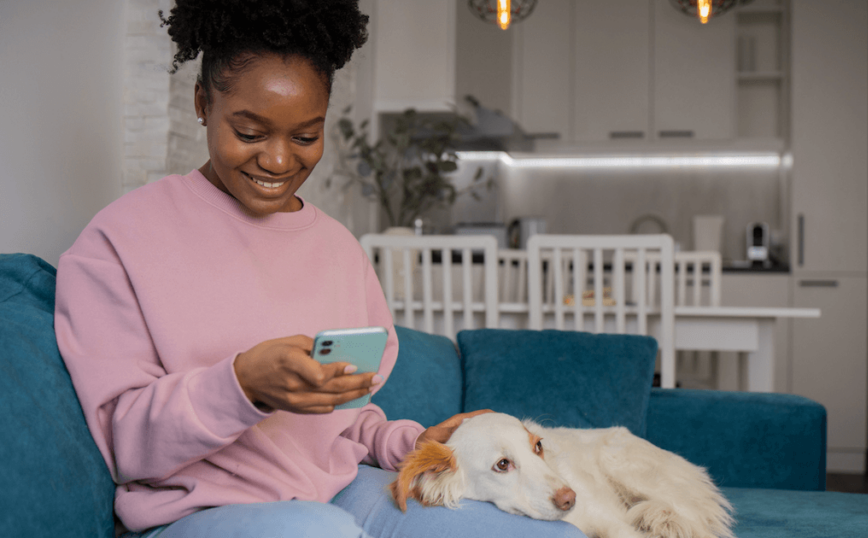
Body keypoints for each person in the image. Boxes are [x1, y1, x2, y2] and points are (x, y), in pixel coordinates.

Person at [53, 1, 585, 537]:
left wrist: (415, 443)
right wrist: (242, 385)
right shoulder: (120, 241)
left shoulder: (340, 251)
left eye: (305, 137)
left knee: (548, 534)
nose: (280, 161)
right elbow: (123, 445)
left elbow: (347, 421)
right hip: (201, 513)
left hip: (344, 491)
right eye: (250, 131)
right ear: (202, 103)